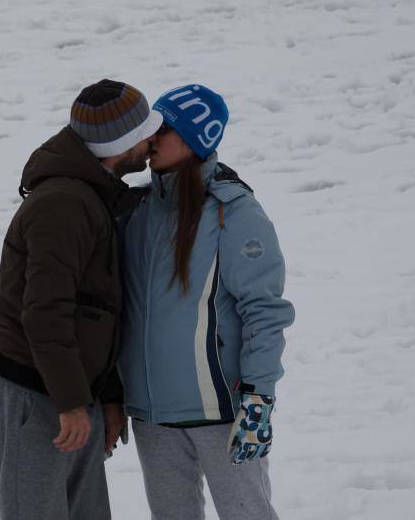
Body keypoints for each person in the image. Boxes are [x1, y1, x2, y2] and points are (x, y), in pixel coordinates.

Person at [0, 79, 163, 520]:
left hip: (68, 391)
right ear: (121, 143)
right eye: (146, 131)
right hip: (35, 395)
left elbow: (100, 309)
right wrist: (70, 402)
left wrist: (106, 396)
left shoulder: (93, 196)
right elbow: (45, 313)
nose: (154, 140)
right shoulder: (64, 204)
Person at [117, 84, 295, 520]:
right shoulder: (135, 210)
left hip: (223, 412)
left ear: (196, 141)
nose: (152, 138)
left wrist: (259, 396)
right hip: (153, 414)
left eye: (165, 129)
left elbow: (264, 311)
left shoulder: (232, 212)